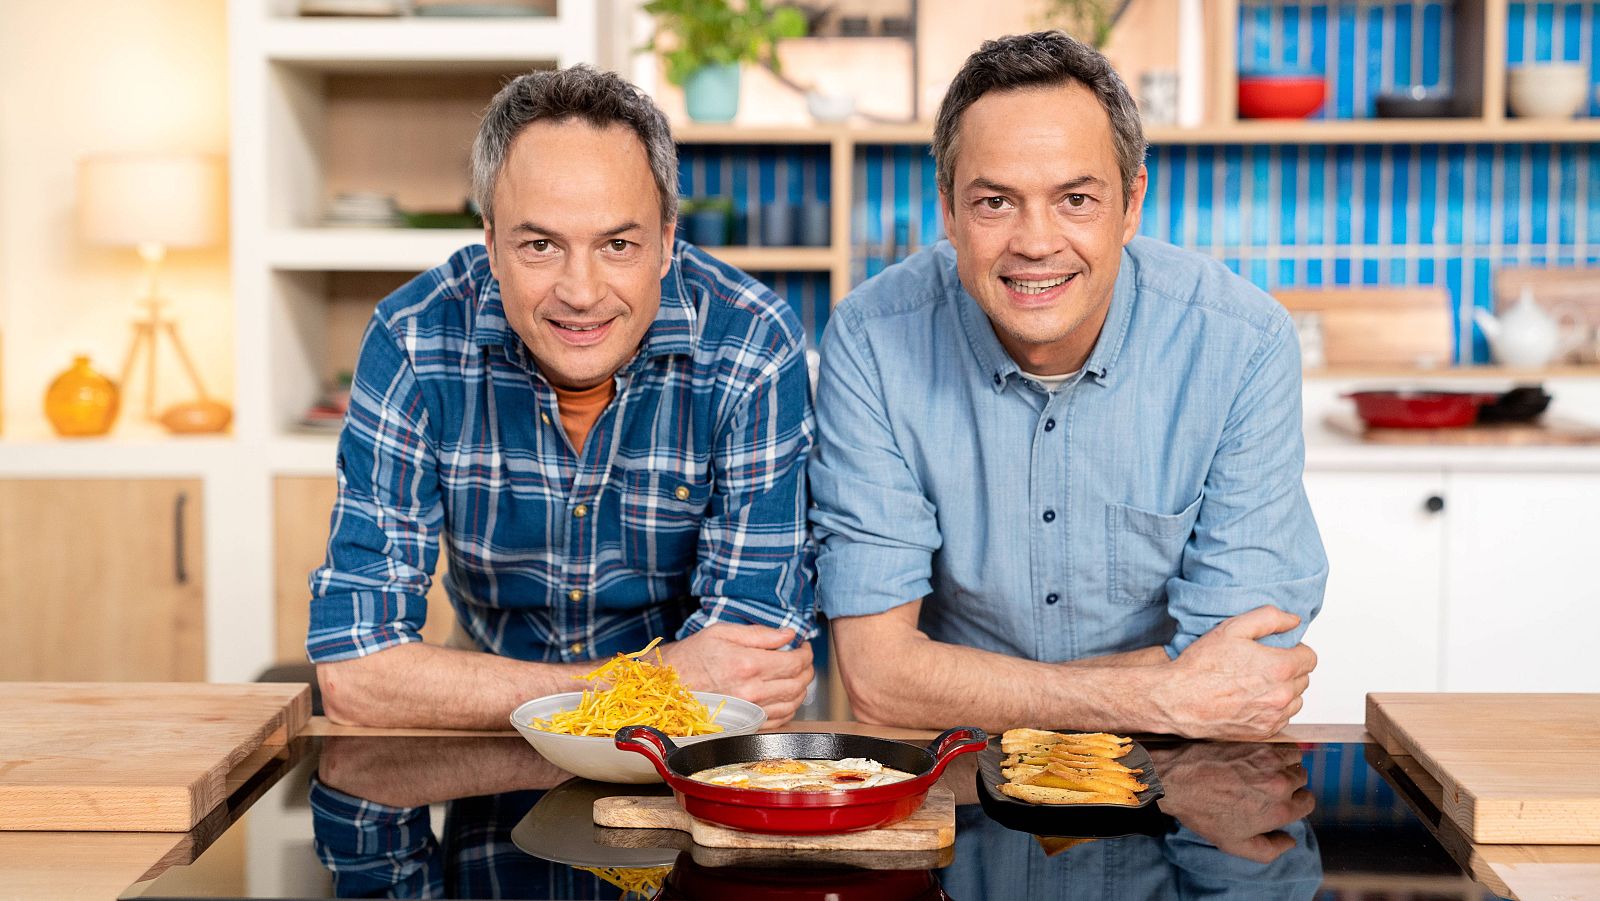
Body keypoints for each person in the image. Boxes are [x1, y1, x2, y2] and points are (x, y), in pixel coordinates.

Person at [809, 31, 1326, 739]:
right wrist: (1158, 694)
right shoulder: (872, 341)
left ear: (1132, 201)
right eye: (995, 203)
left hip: (1176, 781)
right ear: (949, 209)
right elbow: (877, 679)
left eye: (1076, 198)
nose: (1036, 241)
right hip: (964, 787)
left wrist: (966, 686)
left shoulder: (1242, 344)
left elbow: (1241, 672)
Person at [309, 65, 816, 729]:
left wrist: (464, 687)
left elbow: (752, 674)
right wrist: (653, 679)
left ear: (666, 241)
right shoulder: (412, 338)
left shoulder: (751, 343)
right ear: (490, 242)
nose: (581, 290)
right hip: (495, 756)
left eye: (618, 244)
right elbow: (355, 673)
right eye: (542, 244)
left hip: (682, 766)